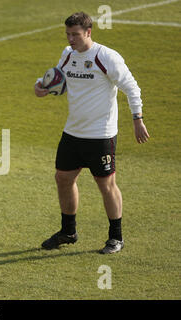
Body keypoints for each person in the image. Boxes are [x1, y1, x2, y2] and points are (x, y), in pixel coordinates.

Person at [34, 12, 150, 254]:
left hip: (100, 135)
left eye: (75, 34)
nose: (70, 39)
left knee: (106, 185)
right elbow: (59, 78)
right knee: (63, 179)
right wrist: (42, 85)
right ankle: (68, 232)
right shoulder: (68, 55)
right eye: (67, 34)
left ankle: (116, 238)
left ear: (88, 32)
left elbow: (131, 87)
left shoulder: (105, 57)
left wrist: (137, 118)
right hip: (73, 132)